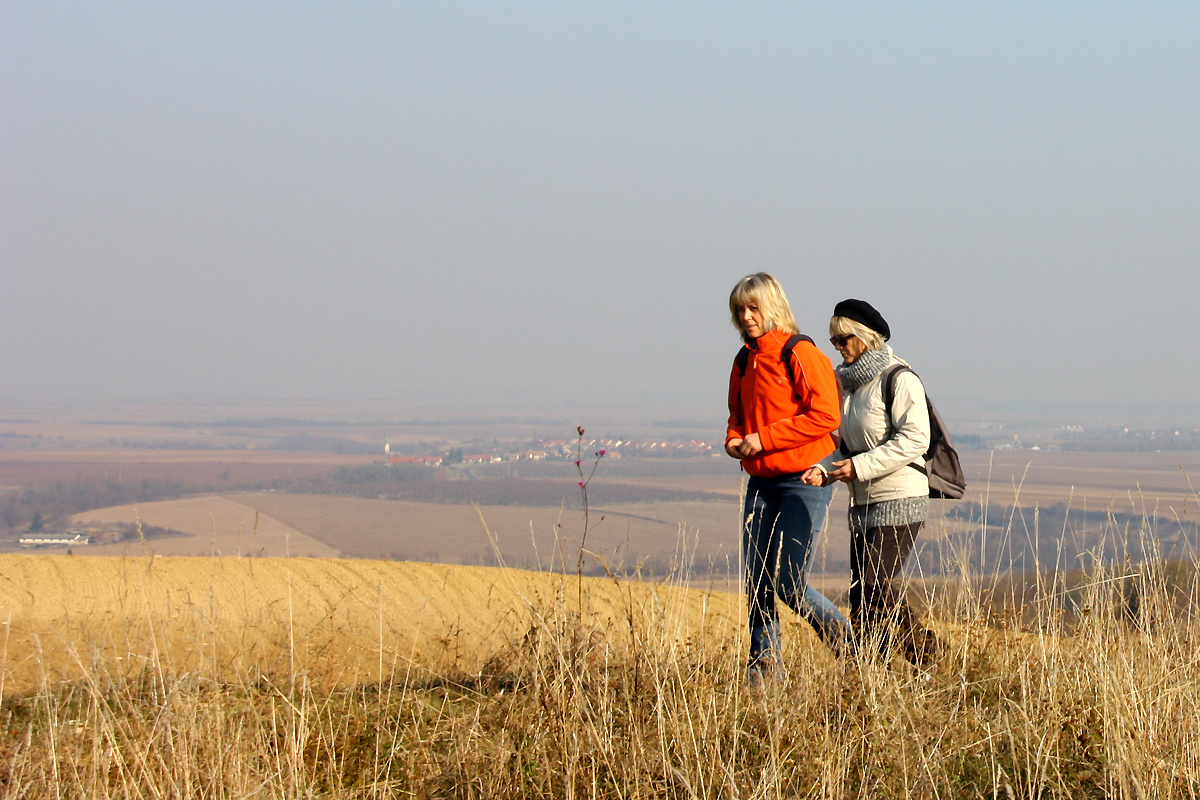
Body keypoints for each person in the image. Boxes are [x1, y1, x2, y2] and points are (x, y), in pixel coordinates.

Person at [802, 299, 942, 666]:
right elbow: (847, 447)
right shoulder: (851, 388)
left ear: (865, 338)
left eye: (842, 338)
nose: (836, 346)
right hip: (863, 502)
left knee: (874, 585)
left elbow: (915, 439)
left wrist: (859, 467)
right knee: (863, 595)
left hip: (900, 497)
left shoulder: (899, 378)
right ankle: (872, 673)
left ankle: (929, 657)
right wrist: (825, 469)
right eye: (832, 340)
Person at [725, 273, 850, 681]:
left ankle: (852, 651)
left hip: (805, 479)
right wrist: (735, 440)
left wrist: (764, 440)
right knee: (757, 580)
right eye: (740, 309)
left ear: (772, 307)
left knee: (790, 583)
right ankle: (764, 673)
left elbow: (826, 415)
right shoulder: (744, 360)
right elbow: (737, 419)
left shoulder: (801, 352)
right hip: (761, 481)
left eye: (753, 307)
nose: (746, 316)